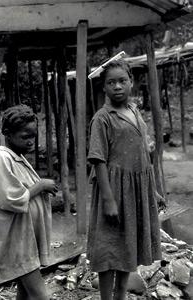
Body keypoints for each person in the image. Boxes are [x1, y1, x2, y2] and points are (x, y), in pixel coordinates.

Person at [87, 59, 164, 300]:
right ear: (104, 88)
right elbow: (98, 160)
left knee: (126, 247)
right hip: (114, 191)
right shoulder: (102, 118)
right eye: (111, 82)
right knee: (109, 247)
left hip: (137, 191)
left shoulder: (134, 111)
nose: (117, 86)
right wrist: (109, 201)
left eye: (122, 81)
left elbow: (142, 153)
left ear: (132, 83)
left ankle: (120, 295)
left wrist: (152, 191)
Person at [0, 105, 58, 300]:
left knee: (25, 293)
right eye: (25, 136)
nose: (30, 142)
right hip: (17, 242)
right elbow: (10, 199)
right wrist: (41, 185)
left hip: (26, 241)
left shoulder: (17, 157)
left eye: (33, 136)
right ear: (8, 134)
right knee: (39, 296)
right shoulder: (2, 159)